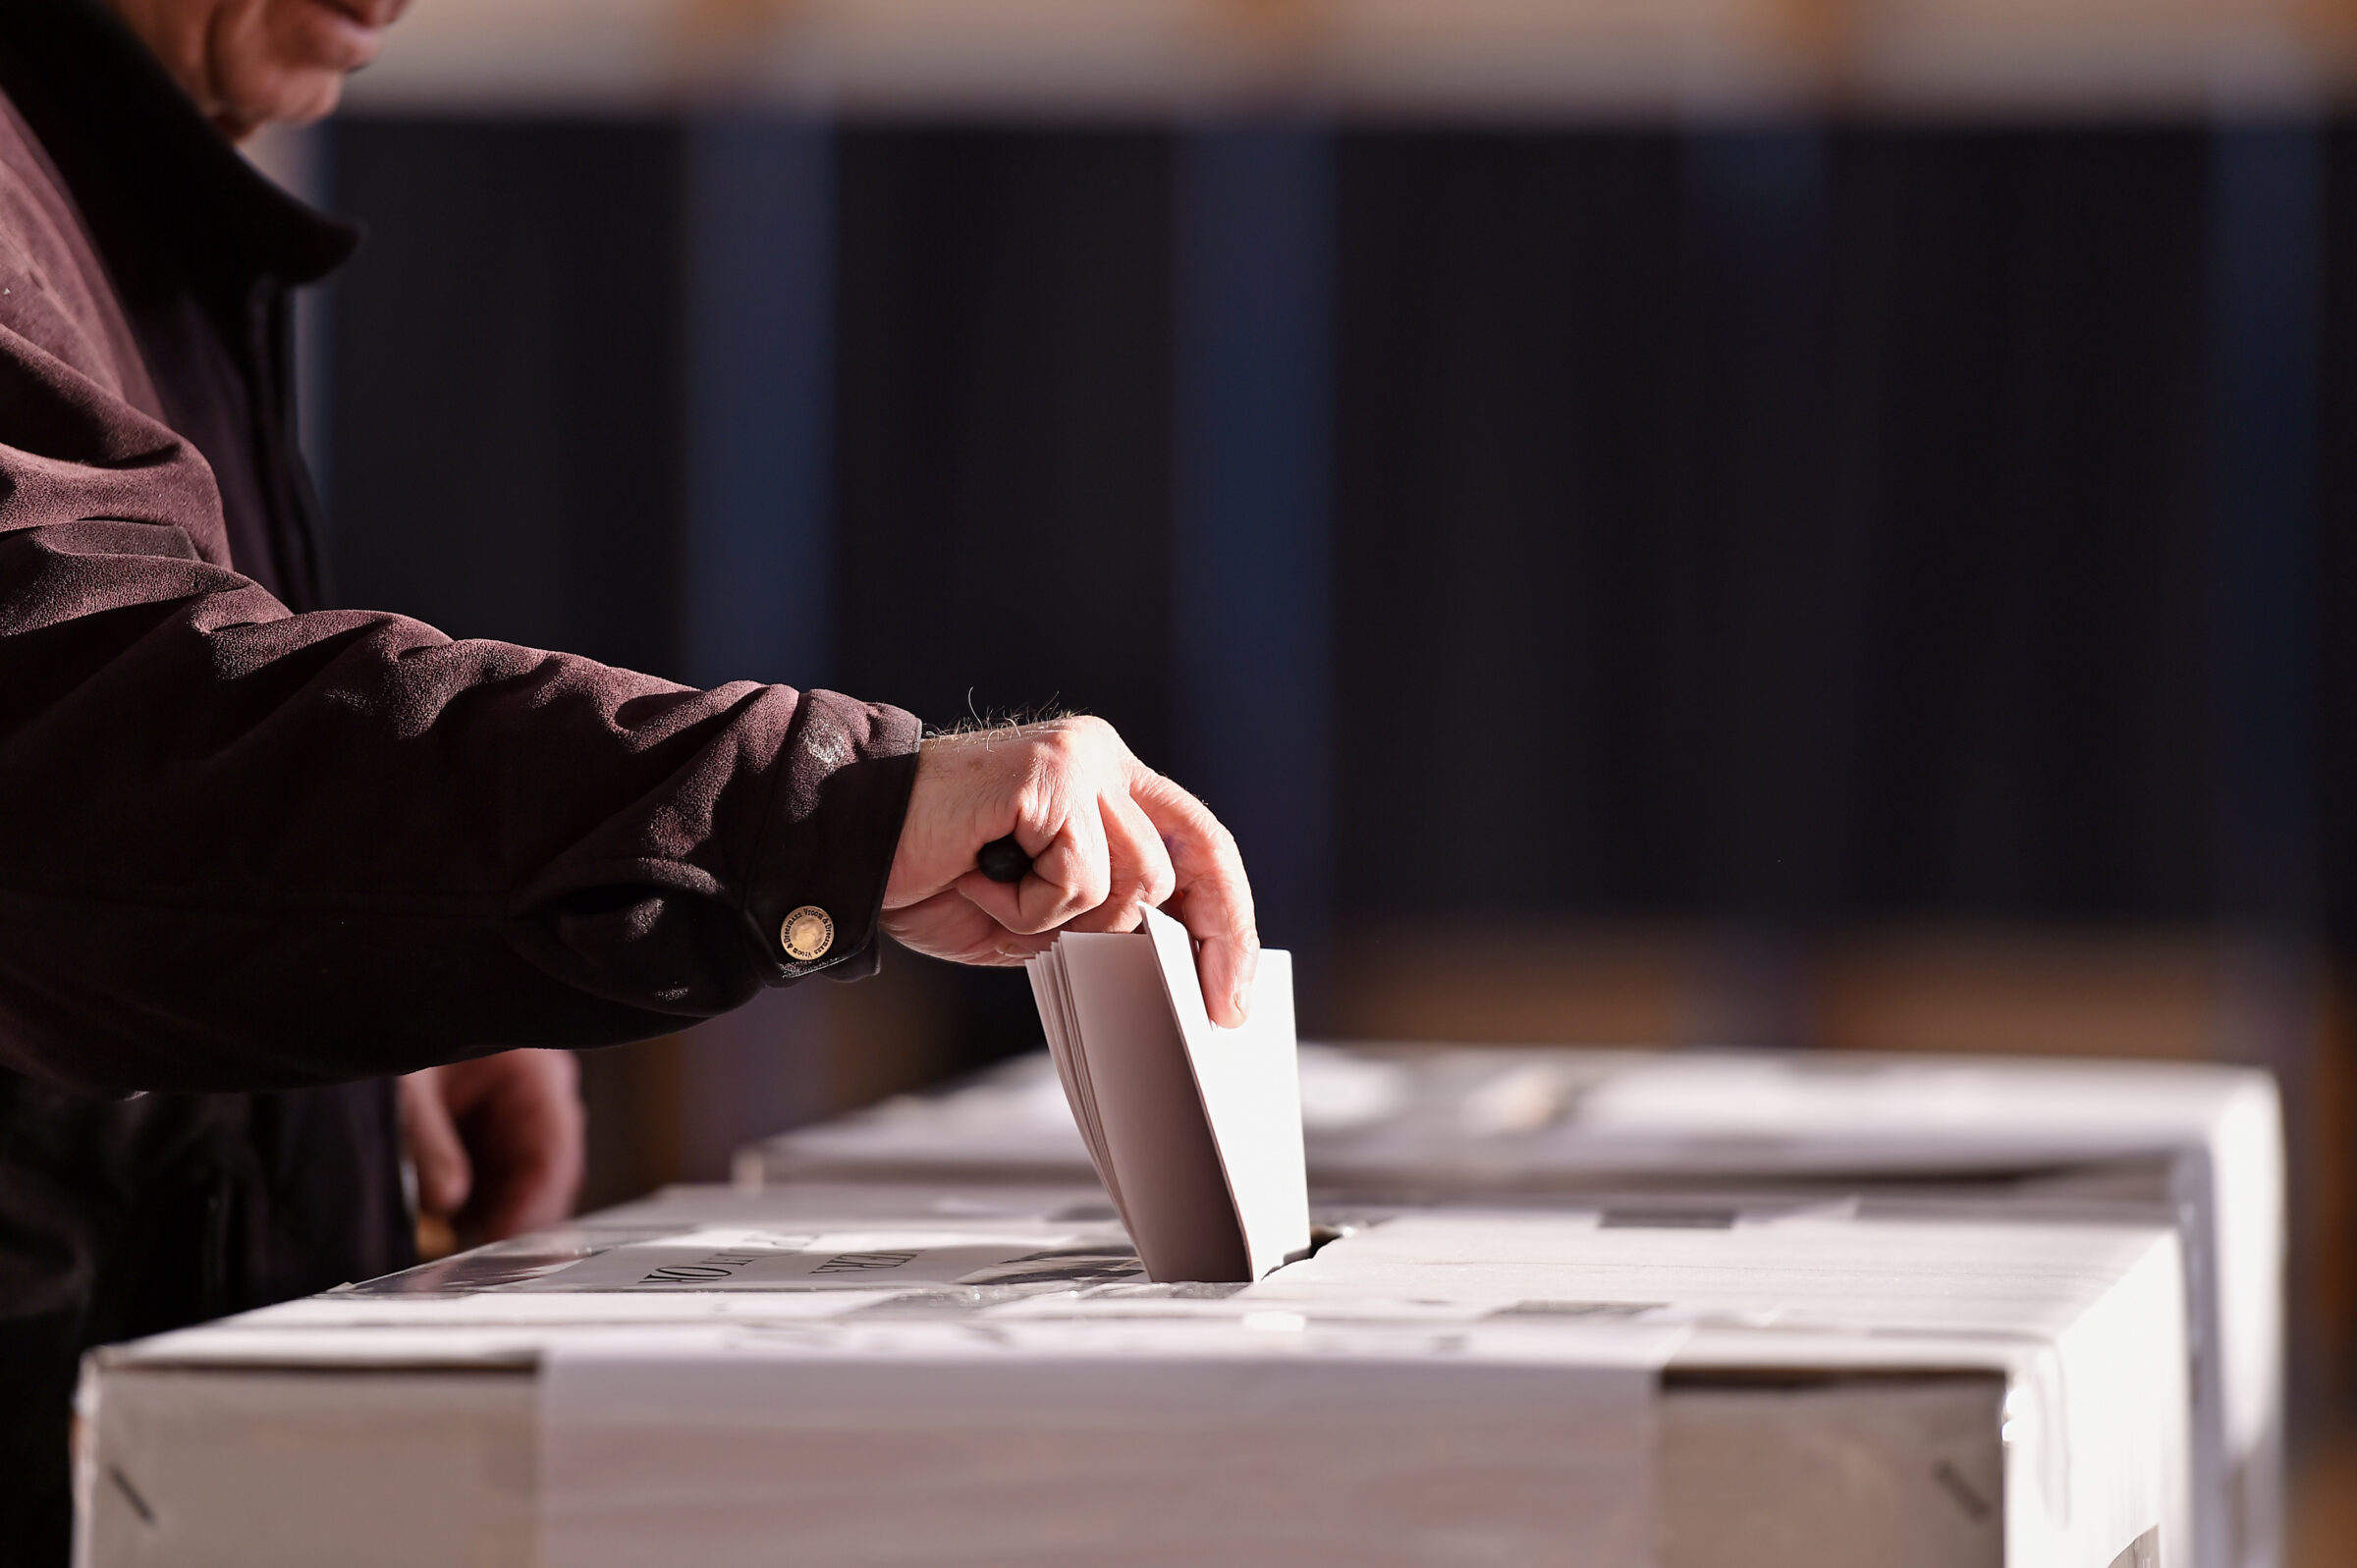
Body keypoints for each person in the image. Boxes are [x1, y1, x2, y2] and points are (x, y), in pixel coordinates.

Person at [0, 0, 1259, 1557]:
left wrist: (352, 1027)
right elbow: (84, 771)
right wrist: (828, 811)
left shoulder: (120, 190)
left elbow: (146, 859)